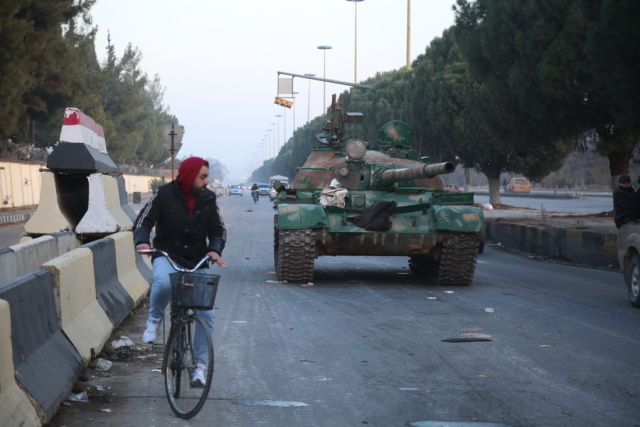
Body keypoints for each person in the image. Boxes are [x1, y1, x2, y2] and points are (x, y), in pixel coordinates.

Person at [133, 156, 226, 387]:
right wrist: (143, 241)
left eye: (207, 177)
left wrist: (214, 250)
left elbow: (218, 231)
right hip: (167, 254)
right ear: (189, 175)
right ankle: (154, 319)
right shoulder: (163, 194)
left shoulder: (208, 198)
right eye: (202, 177)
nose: (206, 182)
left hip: (197, 259)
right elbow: (142, 222)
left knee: (206, 314)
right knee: (163, 283)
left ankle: (200, 368)